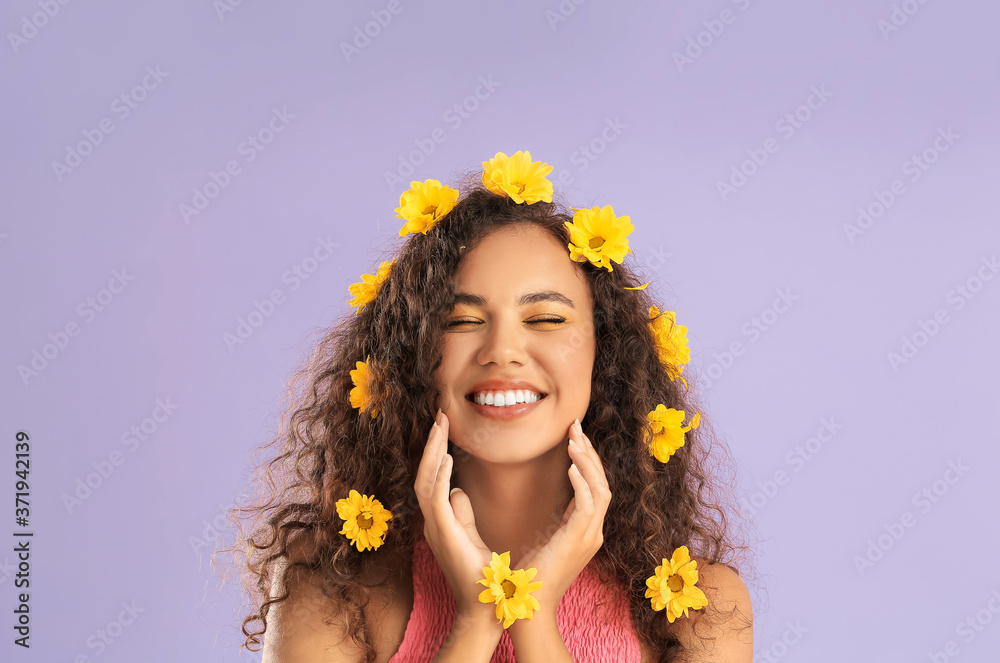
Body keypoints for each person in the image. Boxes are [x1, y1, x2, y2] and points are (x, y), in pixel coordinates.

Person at [223, 151, 756, 662]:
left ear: (607, 354)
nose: (502, 350)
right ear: (415, 359)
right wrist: (477, 620)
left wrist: (534, 615)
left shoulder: (699, 606)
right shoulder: (332, 587)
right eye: (460, 320)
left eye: (546, 319)